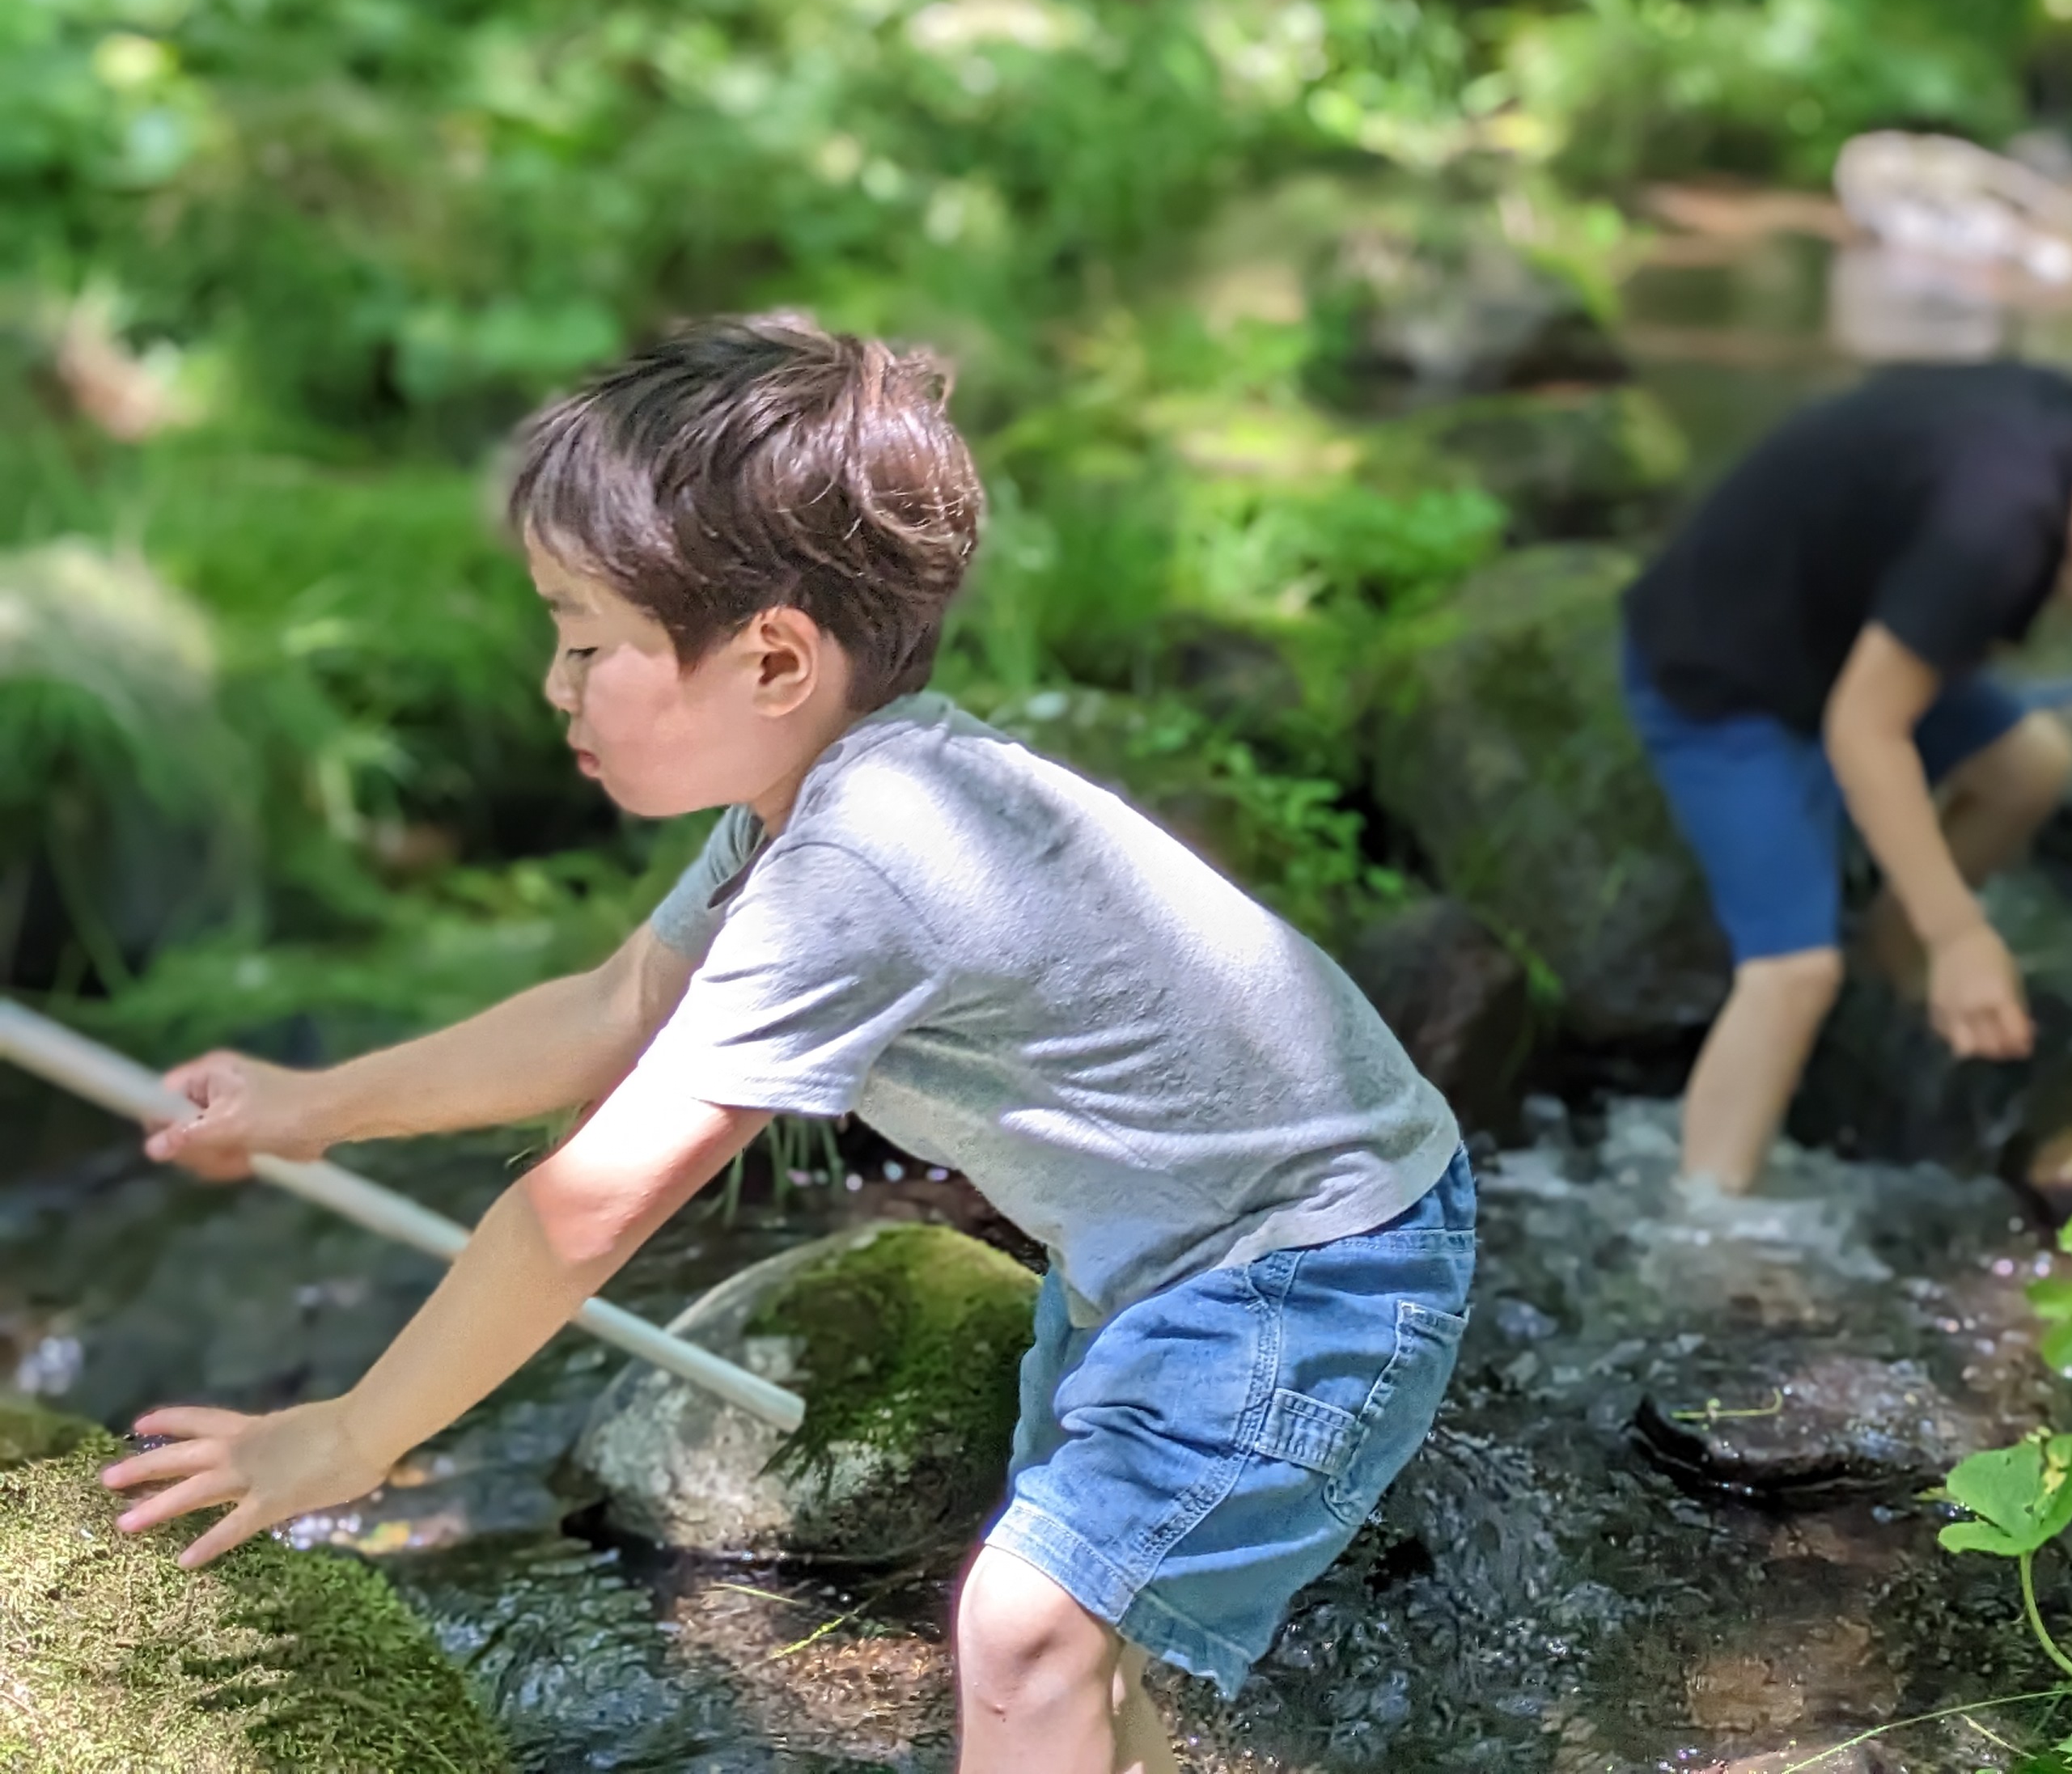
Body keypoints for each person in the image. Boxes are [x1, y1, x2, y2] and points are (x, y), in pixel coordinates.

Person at [103, 314, 1472, 1774]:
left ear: (771, 658)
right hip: (1179, 1252)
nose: (552, 684)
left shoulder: (866, 860)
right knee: (1079, 1635)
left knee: (1025, 1628)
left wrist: (355, 1433)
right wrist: (317, 1103)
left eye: (584, 640)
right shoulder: (813, 805)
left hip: (1305, 1265)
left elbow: (589, 1204)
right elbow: (614, 1012)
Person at [1621, 360, 2072, 1193]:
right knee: (1792, 972)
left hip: (1847, 643)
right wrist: (1959, 933)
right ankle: (1705, 1213)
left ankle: (1885, 969)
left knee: (2030, 765)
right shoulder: (1993, 520)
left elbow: (2055, 563)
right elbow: (1864, 731)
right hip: (1725, 681)